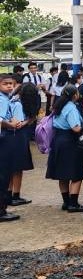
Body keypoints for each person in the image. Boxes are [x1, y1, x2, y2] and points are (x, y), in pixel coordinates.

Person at [46, 85, 83, 212]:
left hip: (58, 141)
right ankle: (73, 203)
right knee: (76, 173)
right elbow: (75, 128)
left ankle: (66, 202)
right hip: (70, 141)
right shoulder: (71, 107)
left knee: (62, 173)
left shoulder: (58, 106)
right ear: (75, 95)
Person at [0, 75, 22, 222]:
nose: (9, 86)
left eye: (11, 84)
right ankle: (1, 211)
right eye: (5, 84)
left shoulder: (6, 98)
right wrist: (11, 124)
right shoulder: (2, 99)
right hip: (4, 138)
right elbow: (0, 119)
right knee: (3, 175)